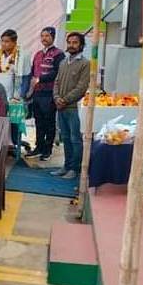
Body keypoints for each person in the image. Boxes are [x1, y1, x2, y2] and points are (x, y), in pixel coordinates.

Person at [52, 32, 91, 180]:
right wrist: (56, 98)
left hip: (74, 107)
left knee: (75, 139)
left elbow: (82, 87)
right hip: (60, 107)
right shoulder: (63, 62)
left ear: (81, 45)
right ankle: (66, 166)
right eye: (69, 42)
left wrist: (65, 100)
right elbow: (56, 82)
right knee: (66, 138)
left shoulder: (85, 64)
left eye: (75, 42)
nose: (71, 45)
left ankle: (75, 169)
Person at [26, 27, 64, 160]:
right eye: (42, 36)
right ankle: (39, 147)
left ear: (53, 37)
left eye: (47, 36)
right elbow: (33, 72)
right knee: (38, 122)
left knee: (49, 122)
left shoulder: (58, 54)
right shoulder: (37, 54)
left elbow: (57, 73)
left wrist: (41, 79)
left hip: (49, 93)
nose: (44, 38)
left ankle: (47, 150)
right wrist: (30, 90)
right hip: (37, 93)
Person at [0, 29, 24, 99]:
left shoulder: (19, 55)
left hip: (11, 95)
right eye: (2, 41)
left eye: (7, 41)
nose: (3, 44)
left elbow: (19, 78)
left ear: (14, 43)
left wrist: (16, 96)